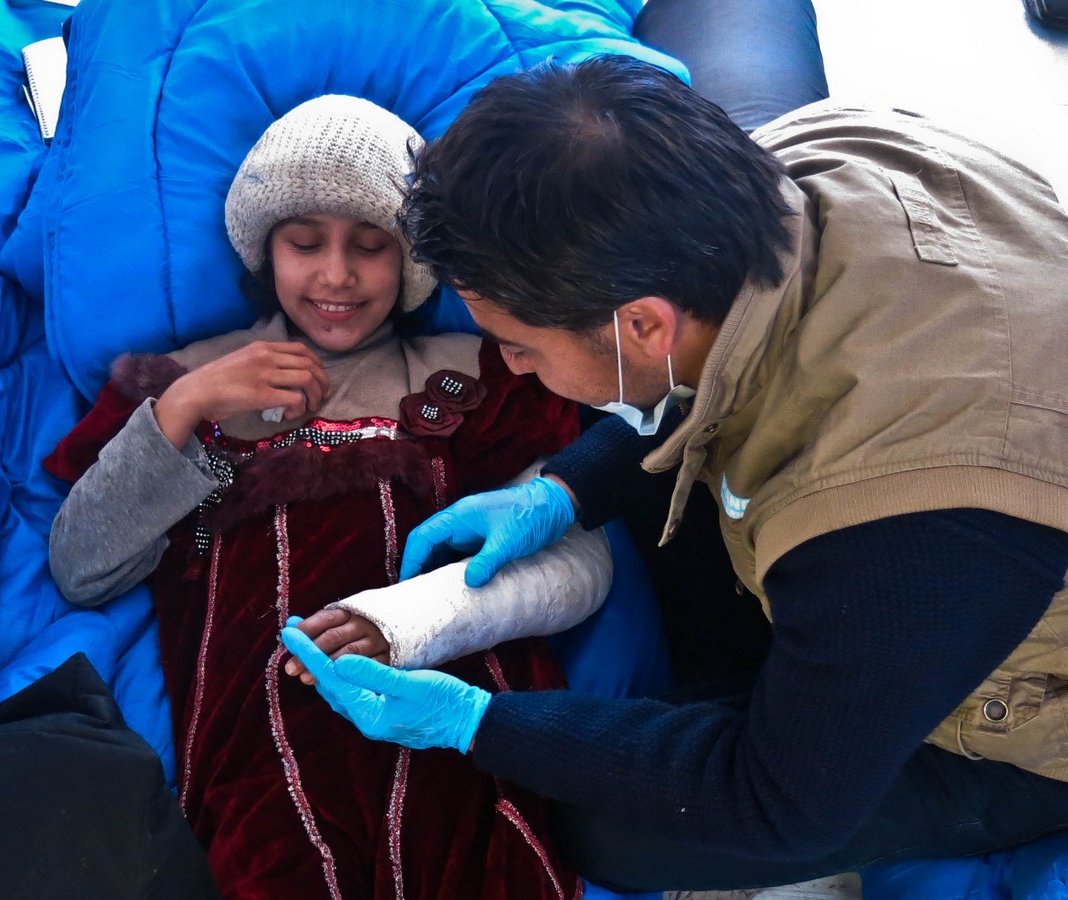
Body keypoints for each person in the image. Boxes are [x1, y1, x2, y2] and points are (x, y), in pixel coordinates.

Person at [281, 55, 1068, 893]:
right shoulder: (812, 156)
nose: (511, 364)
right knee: (603, 416)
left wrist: (477, 722)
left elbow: (778, 806)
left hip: (1023, 720)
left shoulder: (904, 524)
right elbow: (717, 370)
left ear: (645, 323)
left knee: (608, 830)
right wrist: (570, 488)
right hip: (936, 545)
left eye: (520, 345)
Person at [44, 95, 614, 899]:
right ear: (263, 250)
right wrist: (184, 406)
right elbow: (81, 569)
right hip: (263, 743)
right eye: (304, 242)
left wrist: (413, 624)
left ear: (415, 261)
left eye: (373, 246)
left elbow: (571, 551)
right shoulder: (179, 383)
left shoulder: (483, 371)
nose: (336, 275)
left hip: (458, 712)